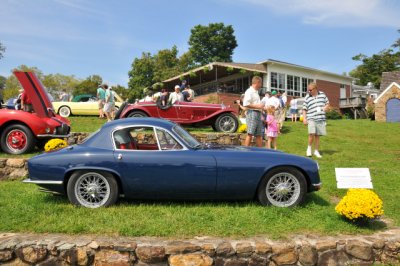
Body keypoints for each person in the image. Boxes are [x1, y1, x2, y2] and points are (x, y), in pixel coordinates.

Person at [302, 82, 330, 158]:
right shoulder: (307, 97)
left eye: (310, 90)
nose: (309, 91)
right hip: (311, 117)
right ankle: (309, 148)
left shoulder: (322, 94)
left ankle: (316, 151)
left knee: (317, 136)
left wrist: (326, 108)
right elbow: (304, 109)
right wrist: (304, 118)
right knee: (311, 133)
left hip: (320, 118)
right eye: (308, 90)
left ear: (315, 89)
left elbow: (327, 104)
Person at [243, 76, 264, 147]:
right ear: (257, 82)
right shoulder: (249, 91)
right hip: (252, 113)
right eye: (260, 83)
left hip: (257, 113)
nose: (261, 85)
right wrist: (258, 106)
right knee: (250, 133)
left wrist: (262, 108)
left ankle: (260, 153)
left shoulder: (256, 92)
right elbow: (245, 104)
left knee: (259, 134)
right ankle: (245, 152)